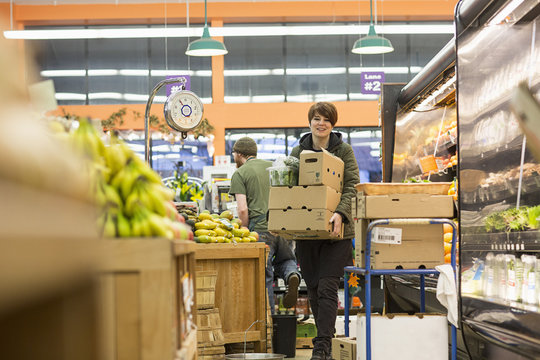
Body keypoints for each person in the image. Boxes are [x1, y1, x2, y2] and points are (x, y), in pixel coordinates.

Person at [290, 102, 360, 360]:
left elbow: (352, 185)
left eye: (327, 120)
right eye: (317, 119)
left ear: (333, 124)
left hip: (337, 232)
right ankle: (324, 343)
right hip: (308, 233)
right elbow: (292, 188)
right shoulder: (298, 151)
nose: (322, 124)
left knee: (329, 287)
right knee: (315, 288)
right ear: (310, 121)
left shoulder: (344, 151)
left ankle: (322, 348)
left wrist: (340, 213)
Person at [228, 137, 302, 314]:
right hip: (283, 226)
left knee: (264, 278)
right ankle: (292, 275)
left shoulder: (240, 173)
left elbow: (243, 209)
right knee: (287, 259)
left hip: (260, 230)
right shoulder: (273, 167)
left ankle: (268, 326)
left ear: (239, 154)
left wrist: (244, 231)